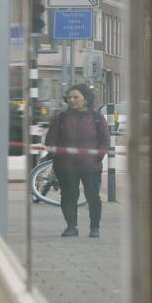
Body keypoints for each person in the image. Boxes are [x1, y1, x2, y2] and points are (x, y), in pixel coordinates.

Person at [45, 84, 109, 238]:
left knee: (92, 196)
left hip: (90, 166)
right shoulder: (61, 118)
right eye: (70, 97)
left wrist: (96, 158)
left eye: (76, 97)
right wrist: (56, 155)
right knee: (68, 196)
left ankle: (95, 227)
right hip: (65, 166)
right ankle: (71, 226)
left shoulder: (96, 118)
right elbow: (50, 140)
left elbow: (105, 141)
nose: (72, 100)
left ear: (85, 99)